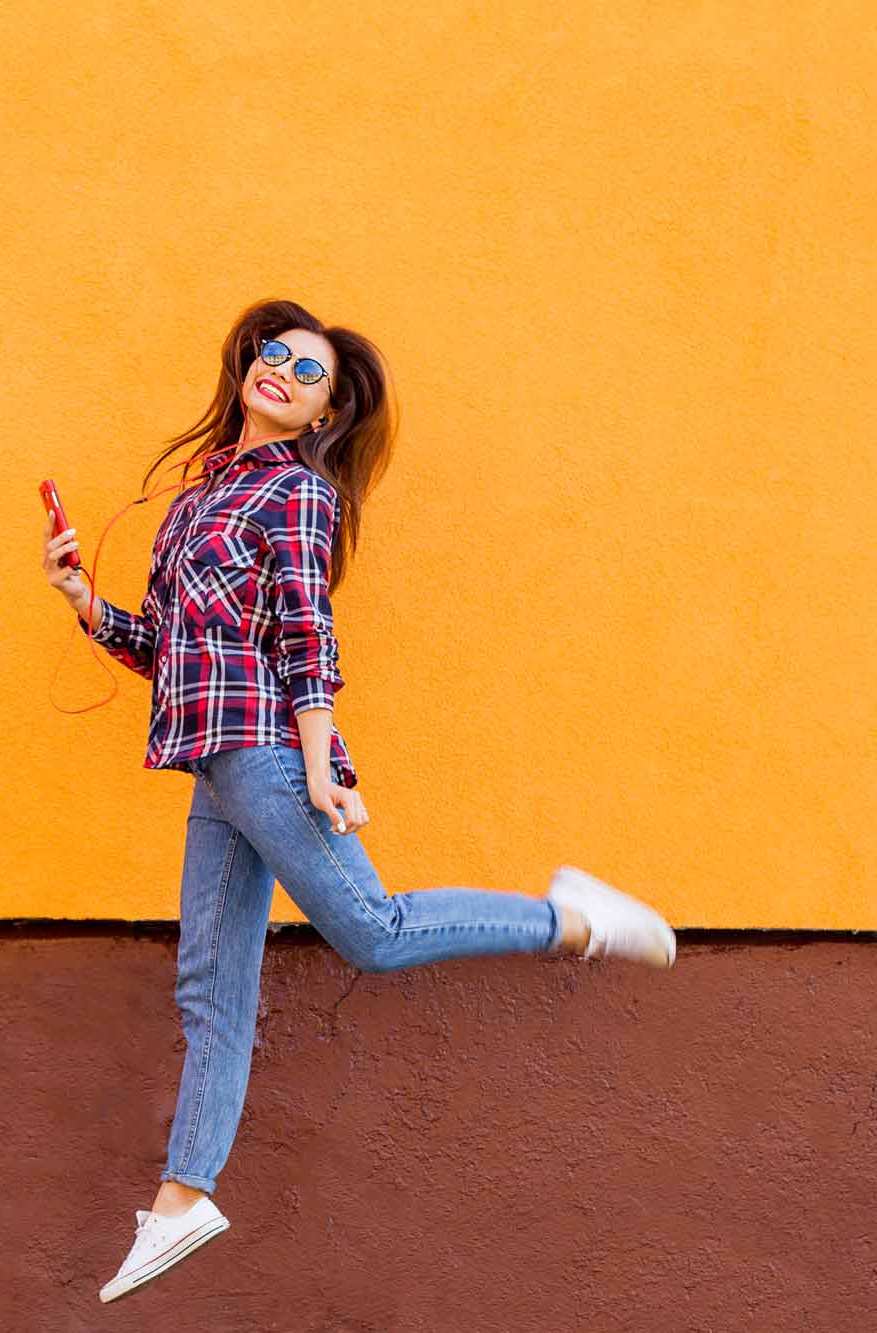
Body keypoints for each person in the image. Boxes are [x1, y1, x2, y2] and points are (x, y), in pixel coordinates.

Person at [40, 298, 678, 1305]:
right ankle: (181, 1197)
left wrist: (321, 758)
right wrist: (84, 604)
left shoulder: (294, 495)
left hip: (267, 754)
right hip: (215, 763)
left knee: (372, 933)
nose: (283, 372)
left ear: (319, 416)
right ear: (246, 364)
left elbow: (305, 634)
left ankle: (574, 919)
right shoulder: (196, 499)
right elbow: (168, 650)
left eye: (309, 376)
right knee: (210, 990)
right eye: (274, 355)